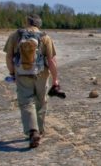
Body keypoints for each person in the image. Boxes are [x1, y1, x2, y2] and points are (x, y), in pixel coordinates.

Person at [4, 15, 60, 148]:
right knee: (41, 101)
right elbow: (51, 61)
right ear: (38, 24)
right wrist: (55, 79)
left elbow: (9, 57)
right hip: (41, 74)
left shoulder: (15, 36)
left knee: (26, 102)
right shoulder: (45, 37)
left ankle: (32, 131)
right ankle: (39, 131)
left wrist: (12, 73)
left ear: (27, 22)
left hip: (22, 74)